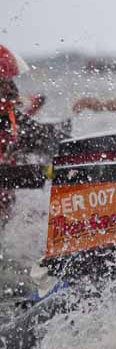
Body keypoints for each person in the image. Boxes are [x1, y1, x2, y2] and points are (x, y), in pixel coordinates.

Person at [0, 45, 67, 225]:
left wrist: (72, 150)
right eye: (4, 83)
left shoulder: (9, 117)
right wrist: (43, 172)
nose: (13, 89)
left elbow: (44, 138)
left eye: (11, 81)